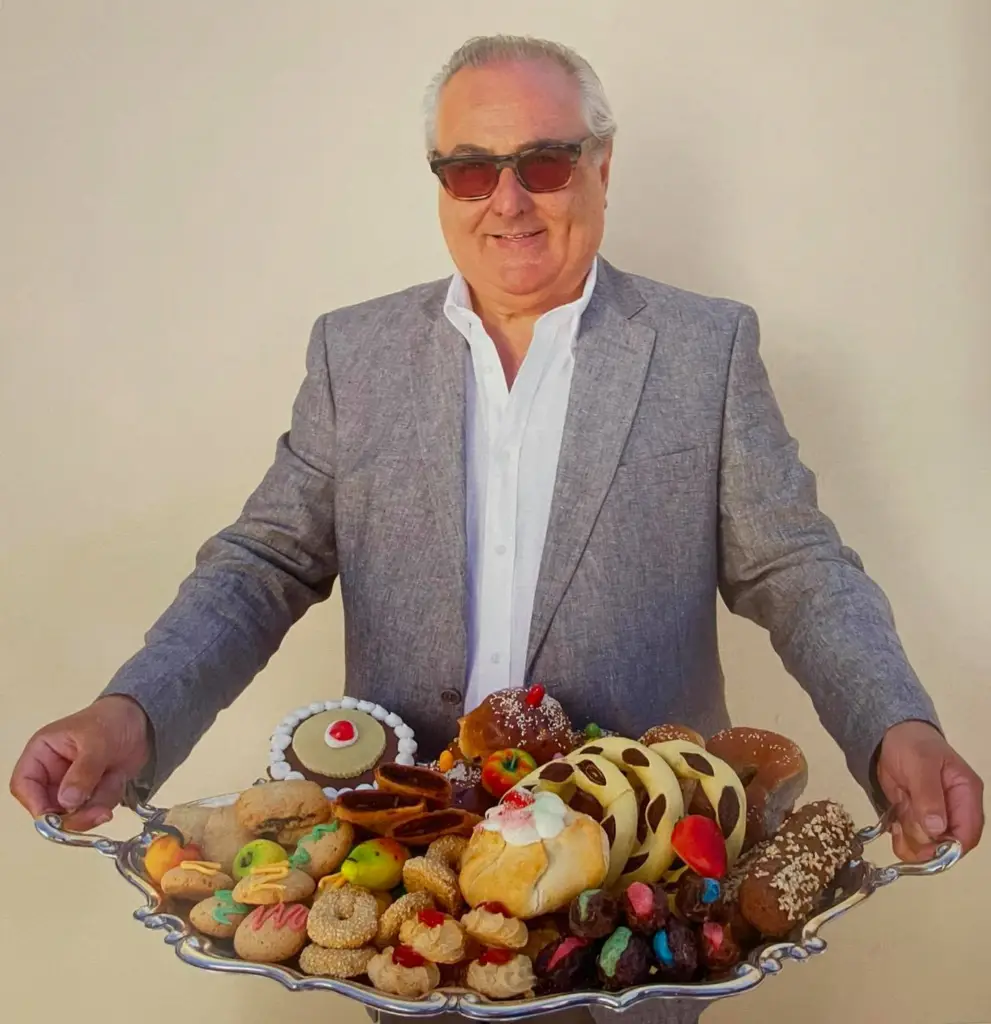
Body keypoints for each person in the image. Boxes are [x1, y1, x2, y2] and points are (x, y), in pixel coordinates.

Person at [10, 33, 983, 1024]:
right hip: (410, 898)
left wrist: (892, 724)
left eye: (544, 163)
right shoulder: (355, 354)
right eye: (471, 169)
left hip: (637, 914)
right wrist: (133, 711)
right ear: (440, 181)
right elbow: (262, 564)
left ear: (602, 165)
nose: (507, 201)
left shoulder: (705, 350)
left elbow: (797, 568)